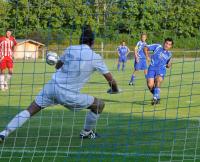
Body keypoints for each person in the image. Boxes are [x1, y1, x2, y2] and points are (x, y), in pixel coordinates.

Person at [0, 25, 120, 142]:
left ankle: (3, 134)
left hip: (51, 87)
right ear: (93, 42)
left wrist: (54, 59)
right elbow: (111, 79)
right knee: (99, 105)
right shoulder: (95, 57)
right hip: (68, 94)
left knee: (30, 110)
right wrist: (114, 89)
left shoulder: (71, 49)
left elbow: (58, 66)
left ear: (80, 40)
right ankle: (86, 132)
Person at [144, 38, 173, 105]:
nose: (167, 45)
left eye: (169, 44)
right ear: (164, 43)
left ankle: (155, 97)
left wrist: (169, 64)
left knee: (158, 79)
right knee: (150, 85)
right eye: (166, 43)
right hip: (152, 68)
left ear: (170, 46)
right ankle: (157, 96)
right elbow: (145, 48)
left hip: (161, 70)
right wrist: (147, 56)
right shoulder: (157, 46)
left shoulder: (169, 54)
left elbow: (168, 66)